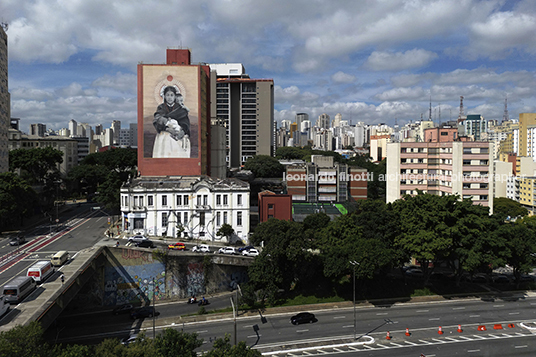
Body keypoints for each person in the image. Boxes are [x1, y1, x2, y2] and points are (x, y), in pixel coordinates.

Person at [152, 86, 191, 158]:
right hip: (165, 134)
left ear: (175, 96)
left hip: (178, 135)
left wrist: (181, 131)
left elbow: (186, 123)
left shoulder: (181, 109)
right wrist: (168, 129)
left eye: (171, 95)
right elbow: (157, 120)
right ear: (164, 96)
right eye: (167, 95)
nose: (169, 97)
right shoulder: (161, 107)